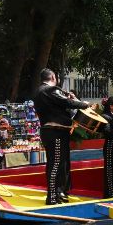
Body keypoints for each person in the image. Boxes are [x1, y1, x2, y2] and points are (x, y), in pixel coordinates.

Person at [33, 69, 89, 204]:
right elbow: (68, 103)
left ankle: (58, 193)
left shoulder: (39, 92)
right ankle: (52, 196)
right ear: (53, 77)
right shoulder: (50, 90)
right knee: (56, 164)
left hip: (52, 132)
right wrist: (84, 104)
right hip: (55, 132)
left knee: (59, 163)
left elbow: (60, 104)